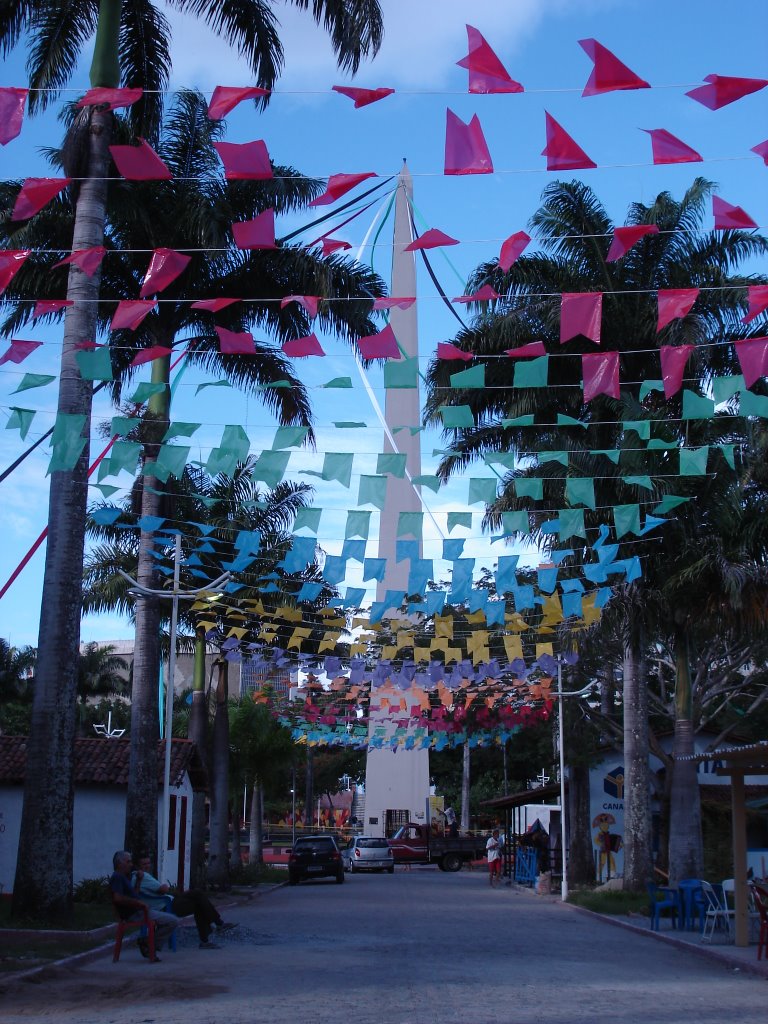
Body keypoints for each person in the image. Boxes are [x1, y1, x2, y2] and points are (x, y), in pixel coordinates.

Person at [133, 855, 235, 950]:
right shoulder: (143, 876)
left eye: (148, 863)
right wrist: (164, 888)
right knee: (199, 902)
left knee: (198, 894)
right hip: (165, 905)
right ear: (138, 866)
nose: (147, 866)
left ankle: (217, 926)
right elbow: (163, 889)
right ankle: (213, 930)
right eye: (144, 864)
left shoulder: (137, 876)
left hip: (168, 899)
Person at [109, 850, 178, 961]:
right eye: (128, 862)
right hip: (134, 913)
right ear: (119, 863)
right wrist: (138, 903)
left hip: (138, 911)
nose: (131, 865)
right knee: (172, 921)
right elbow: (117, 898)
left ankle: (147, 944)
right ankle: (149, 945)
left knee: (169, 920)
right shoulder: (117, 877)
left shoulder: (124, 877)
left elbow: (135, 895)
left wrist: (139, 881)